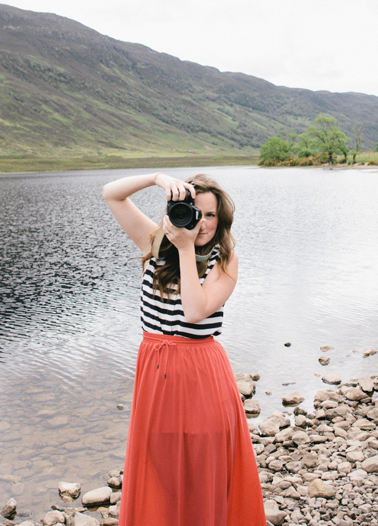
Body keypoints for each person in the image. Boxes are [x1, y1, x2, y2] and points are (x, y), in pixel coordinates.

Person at [103, 172, 265, 526]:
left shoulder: (226, 260)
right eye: (196, 213)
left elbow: (194, 312)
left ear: (221, 219)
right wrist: (157, 179)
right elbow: (111, 194)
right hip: (155, 372)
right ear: (179, 211)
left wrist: (187, 248)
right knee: (159, 468)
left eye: (211, 215)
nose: (202, 224)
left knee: (201, 468)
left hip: (200, 373)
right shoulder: (153, 243)